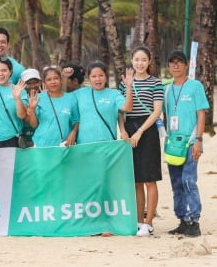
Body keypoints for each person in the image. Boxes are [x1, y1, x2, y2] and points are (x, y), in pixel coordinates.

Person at [117, 46, 164, 237]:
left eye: (144, 59)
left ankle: (149, 222)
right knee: (136, 181)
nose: (140, 63)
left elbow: (157, 111)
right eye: (137, 59)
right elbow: (120, 111)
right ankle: (138, 221)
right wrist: (123, 130)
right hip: (130, 129)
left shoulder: (156, 83)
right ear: (132, 60)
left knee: (150, 179)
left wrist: (139, 132)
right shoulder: (124, 83)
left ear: (149, 61)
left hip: (148, 130)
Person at [163, 50, 209, 237]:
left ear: (186, 64)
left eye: (179, 62)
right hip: (173, 143)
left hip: (190, 142)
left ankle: (194, 220)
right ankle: (182, 219)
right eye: (172, 62)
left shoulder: (195, 86)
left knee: (188, 180)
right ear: (168, 66)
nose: (175, 65)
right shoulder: (167, 89)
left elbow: (201, 113)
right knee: (176, 183)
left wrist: (198, 140)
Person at [75, 62, 134, 144]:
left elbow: (127, 108)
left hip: (107, 143)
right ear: (89, 78)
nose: (97, 79)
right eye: (94, 76)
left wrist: (128, 87)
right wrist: (65, 78)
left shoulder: (114, 94)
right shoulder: (80, 93)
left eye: (101, 75)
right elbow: (60, 97)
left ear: (106, 77)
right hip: (84, 145)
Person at [25, 66, 79, 147]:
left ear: (61, 80)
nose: (53, 82)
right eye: (49, 79)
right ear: (44, 83)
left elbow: (76, 120)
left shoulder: (71, 98)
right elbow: (34, 125)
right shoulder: (38, 98)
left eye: (56, 78)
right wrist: (32, 110)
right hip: (41, 144)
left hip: (64, 145)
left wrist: (73, 133)